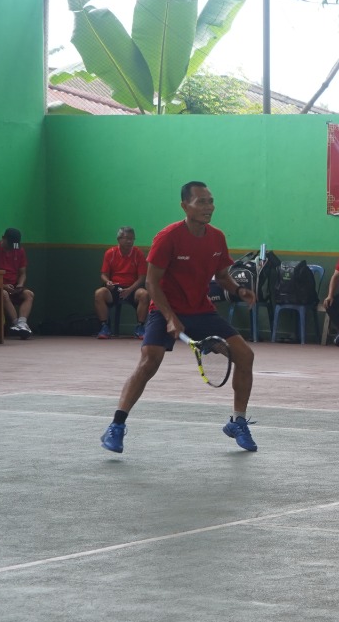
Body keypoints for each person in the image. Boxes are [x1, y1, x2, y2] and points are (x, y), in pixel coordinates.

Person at [101, 181, 259, 454]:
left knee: (245, 356)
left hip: (201, 309)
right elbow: (151, 283)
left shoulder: (216, 238)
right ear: (185, 206)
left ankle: (238, 422)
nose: (209, 207)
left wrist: (238, 290)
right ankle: (116, 425)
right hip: (164, 308)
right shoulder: (168, 237)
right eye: (201, 202)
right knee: (149, 362)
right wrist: (170, 317)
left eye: (210, 201)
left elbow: (222, 276)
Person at [94, 226, 150, 339]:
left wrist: (129, 290)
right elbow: (103, 274)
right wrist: (108, 282)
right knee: (99, 293)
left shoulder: (138, 254)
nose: (129, 241)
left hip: (132, 288)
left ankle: (140, 328)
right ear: (119, 239)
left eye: (132, 239)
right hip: (114, 288)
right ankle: (104, 327)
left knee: (144, 294)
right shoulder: (110, 253)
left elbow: (142, 278)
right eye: (127, 238)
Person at [0, 228, 36, 339]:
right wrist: (3, 286)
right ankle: (16, 324)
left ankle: (22, 323)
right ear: (3, 238)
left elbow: (22, 273)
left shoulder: (19, 250)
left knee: (29, 294)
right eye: (10, 244)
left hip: (14, 286)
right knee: (4, 294)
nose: (12, 247)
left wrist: (20, 284)